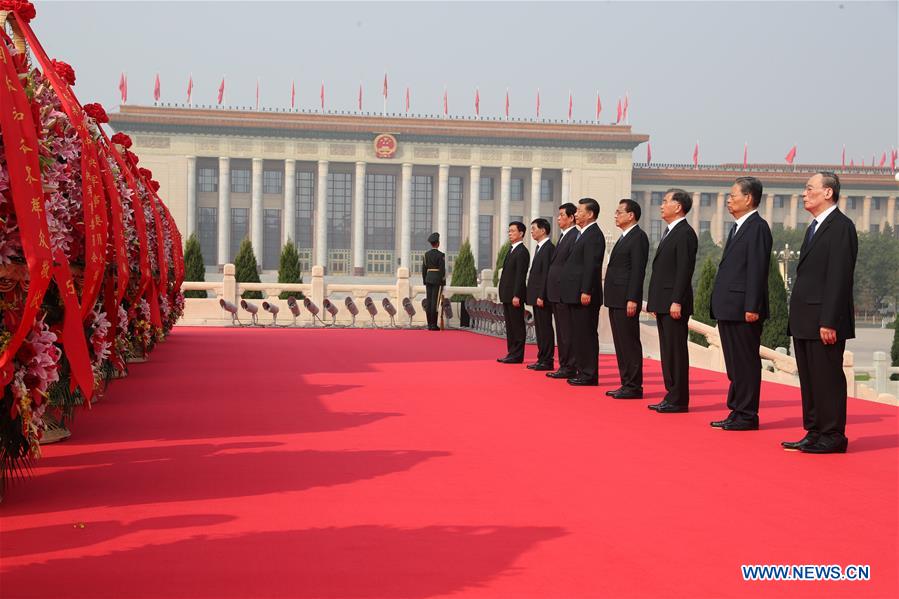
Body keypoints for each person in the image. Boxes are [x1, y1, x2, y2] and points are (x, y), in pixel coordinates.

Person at [783, 172, 857, 454]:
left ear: (828, 193)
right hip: (805, 318)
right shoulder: (813, 227)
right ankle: (814, 431)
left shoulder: (841, 227)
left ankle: (833, 435)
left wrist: (829, 320)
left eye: (809, 188)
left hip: (825, 321)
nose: (804, 193)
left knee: (827, 378)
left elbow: (839, 277)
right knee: (811, 378)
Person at [709, 177, 772, 430]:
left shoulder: (757, 227)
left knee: (745, 362)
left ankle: (747, 414)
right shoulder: (737, 227)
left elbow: (757, 270)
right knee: (735, 364)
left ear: (748, 198)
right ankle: (736, 410)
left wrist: (752, 306)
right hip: (729, 307)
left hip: (744, 309)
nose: (728, 200)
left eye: (733, 196)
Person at [646, 188, 698, 413]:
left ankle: (678, 399)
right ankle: (670, 395)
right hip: (664, 301)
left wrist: (676, 300)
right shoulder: (670, 232)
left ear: (678, 207)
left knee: (675, 351)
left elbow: (684, 270)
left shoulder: (685, 233)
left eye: (665, 201)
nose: (661, 205)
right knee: (667, 351)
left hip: (674, 303)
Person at [603, 199, 649, 399]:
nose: (615, 215)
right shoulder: (624, 237)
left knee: (629, 342)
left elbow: (637, 271)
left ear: (631, 215)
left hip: (626, 299)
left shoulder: (638, 237)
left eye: (619, 212)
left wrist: (632, 299)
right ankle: (626, 382)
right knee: (620, 343)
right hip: (615, 298)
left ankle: (634, 385)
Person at [561, 198, 605, 386]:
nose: (576, 214)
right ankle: (582, 371)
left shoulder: (594, 235)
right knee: (578, 334)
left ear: (590, 214)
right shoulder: (582, 234)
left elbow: (591, 266)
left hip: (585, 295)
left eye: (579, 211)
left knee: (586, 334)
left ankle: (589, 374)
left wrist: (586, 290)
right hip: (574, 294)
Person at [543, 203, 579, 379]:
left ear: (571, 217)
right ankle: (564, 364)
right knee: (562, 332)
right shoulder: (564, 237)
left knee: (567, 332)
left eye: (562, 215)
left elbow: (571, 267)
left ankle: (570, 366)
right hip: (556, 293)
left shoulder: (574, 236)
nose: (558, 218)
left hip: (564, 293)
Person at [497, 221, 530, 363]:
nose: (510, 233)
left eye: (513, 231)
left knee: (517, 325)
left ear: (521, 233)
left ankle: (517, 354)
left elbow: (520, 276)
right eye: (509, 231)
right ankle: (511, 352)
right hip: (506, 294)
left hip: (514, 296)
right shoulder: (511, 250)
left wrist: (517, 294)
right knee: (510, 326)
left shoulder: (522, 251)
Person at [525, 218, 555, 371]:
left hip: (542, 297)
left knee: (545, 328)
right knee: (540, 328)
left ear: (543, 230)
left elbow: (546, 274)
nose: (531, 232)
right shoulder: (539, 248)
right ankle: (541, 357)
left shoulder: (549, 248)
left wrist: (542, 295)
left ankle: (547, 359)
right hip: (536, 295)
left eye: (534, 229)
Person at [422, 232, 446, 331]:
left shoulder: (426, 255)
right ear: (438, 243)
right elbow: (442, 270)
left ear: (431, 243)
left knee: (429, 301)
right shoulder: (441, 255)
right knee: (435, 303)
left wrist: (424, 280)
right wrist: (443, 282)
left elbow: (424, 269)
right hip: (437, 280)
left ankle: (429, 324)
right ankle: (433, 325)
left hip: (428, 279)